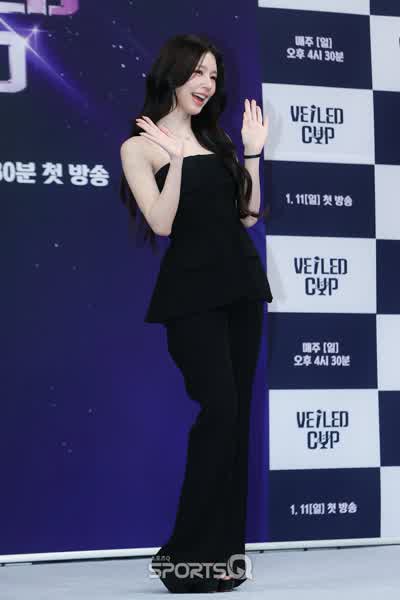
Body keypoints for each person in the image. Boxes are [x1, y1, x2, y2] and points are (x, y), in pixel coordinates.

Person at [120, 33, 273, 594]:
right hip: (191, 295)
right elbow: (161, 223)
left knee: (236, 419)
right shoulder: (140, 146)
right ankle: (184, 556)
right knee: (219, 409)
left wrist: (252, 153)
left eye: (213, 74)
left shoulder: (218, 138)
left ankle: (222, 557)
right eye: (198, 72)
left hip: (242, 287)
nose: (207, 83)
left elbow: (248, 216)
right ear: (173, 73)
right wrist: (180, 161)